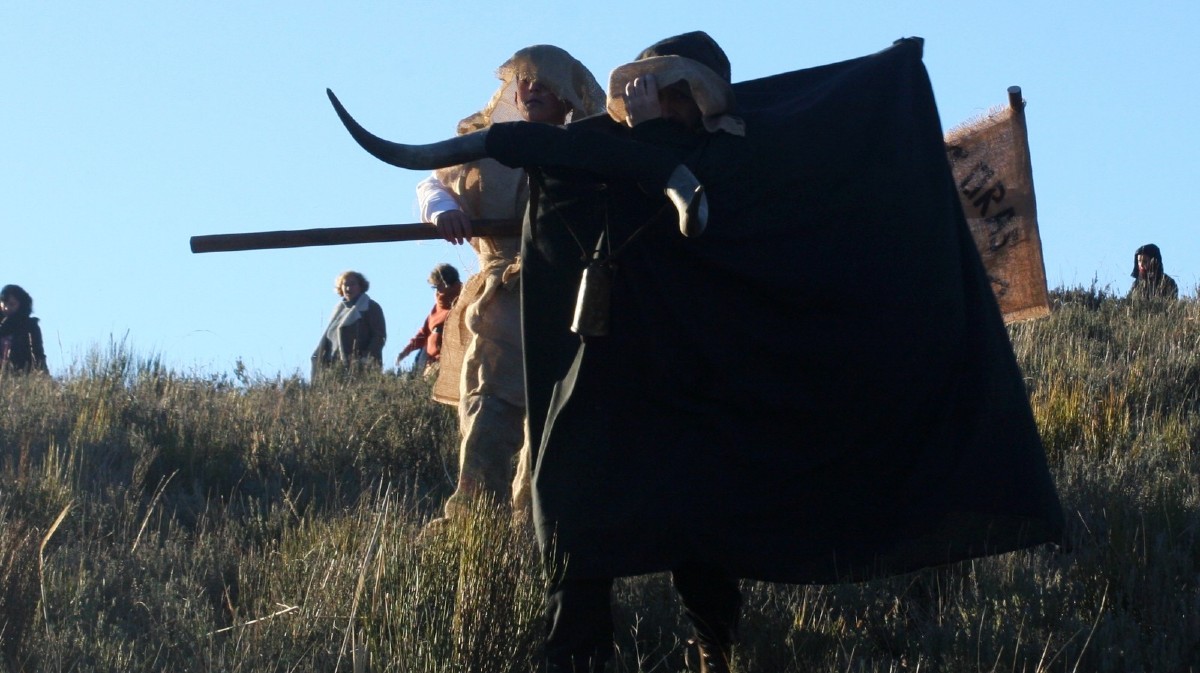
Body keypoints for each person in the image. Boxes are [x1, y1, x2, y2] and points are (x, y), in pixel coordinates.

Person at [328, 31, 1065, 673]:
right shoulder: (603, 154)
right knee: (572, 498)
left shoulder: (747, 158)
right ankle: (575, 651)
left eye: (668, 85)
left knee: (699, 517)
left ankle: (718, 646)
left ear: (704, 93)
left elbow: (733, 198)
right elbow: (530, 170)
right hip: (612, 371)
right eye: (639, 86)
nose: (647, 95)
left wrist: (658, 146)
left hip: (708, 378)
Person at [415, 45, 605, 523]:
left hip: (571, 300)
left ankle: (530, 537)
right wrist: (444, 209)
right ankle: (474, 527)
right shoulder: (489, 147)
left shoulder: (591, 154)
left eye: (547, 81)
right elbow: (431, 183)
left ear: (570, 99)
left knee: (552, 427)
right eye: (525, 79)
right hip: (502, 298)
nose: (533, 87)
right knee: (490, 407)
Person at [311, 270, 386, 378]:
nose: (348, 288)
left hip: (360, 371)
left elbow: (379, 337)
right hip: (334, 372)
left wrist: (365, 360)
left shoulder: (371, 307)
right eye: (345, 285)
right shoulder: (338, 312)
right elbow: (325, 343)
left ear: (361, 286)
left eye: (352, 284)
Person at [395, 263, 462, 375]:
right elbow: (423, 333)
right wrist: (405, 351)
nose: (436, 292)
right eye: (434, 287)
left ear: (447, 284)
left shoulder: (463, 302)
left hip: (450, 363)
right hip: (429, 364)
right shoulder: (436, 309)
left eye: (438, 286)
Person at [0, 284, 48, 373]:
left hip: (19, 374)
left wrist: (45, 377)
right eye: (4, 303)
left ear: (21, 305)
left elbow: (37, 354)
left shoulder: (30, 326)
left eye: (12, 304)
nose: (6, 308)